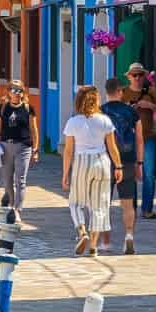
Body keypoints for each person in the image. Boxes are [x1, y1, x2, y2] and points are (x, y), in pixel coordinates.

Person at [60, 85, 122, 256]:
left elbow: (68, 151)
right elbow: (112, 147)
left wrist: (65, 174)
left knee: (76, 202)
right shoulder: (105, 120)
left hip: (82, 162)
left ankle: (82, 232)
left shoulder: (73, 122)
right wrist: (118, 166)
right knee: (99, 204)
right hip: (102, 162)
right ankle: (93, 245)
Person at [100, 78, 141, 254]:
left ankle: (106, 242)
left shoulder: (99, 112)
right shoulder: (131, 112)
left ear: (106, 92)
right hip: (128, 160)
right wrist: (140, 162)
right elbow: (139, 139)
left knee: (103, 203)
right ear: (120, 91)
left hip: (105, 160)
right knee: (128, 202)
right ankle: (129, 236)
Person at [0, 80, 37, 224]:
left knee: (20, 180)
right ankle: (10, 204)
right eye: (14, 90)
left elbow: (33, 129)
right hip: (5, 146)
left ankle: (17, 210)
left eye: (20, 90)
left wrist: (35, 149)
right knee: (7, 179)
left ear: (23, 93)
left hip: (23, 147)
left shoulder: (28, 108)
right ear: (8, 92)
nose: (17, 93)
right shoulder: (2, 108)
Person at [128, 63, 156, 217]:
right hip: (130, 138)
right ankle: (132, 208)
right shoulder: (123, 92)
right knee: (131, 173)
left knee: (149, 173)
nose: (137, 78)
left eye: (140, 75)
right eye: (134, 75)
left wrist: (150, 105)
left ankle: (147, 209)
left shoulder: (151, 91)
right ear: (129, 76)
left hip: (148, 137)